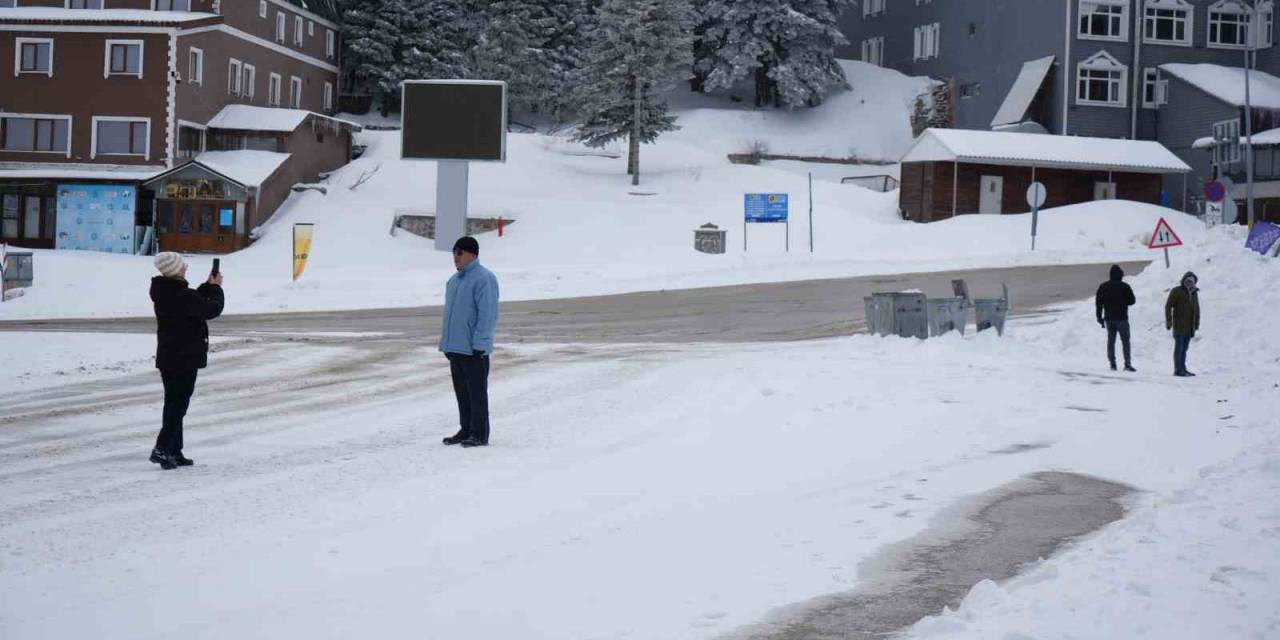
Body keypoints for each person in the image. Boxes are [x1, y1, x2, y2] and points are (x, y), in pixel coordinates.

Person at [149, 252, 224, 469]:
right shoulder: (182, 295)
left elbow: (193, 301)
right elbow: (210, 309)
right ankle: (162, 449)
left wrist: (207, 286)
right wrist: (216, 288)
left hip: (168, 356)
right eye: (182, 265)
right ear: (175, 269)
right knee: (178, 405)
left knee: (173, 403)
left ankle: (173, 450)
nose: (186, 267)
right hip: (185, 357)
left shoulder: (165, 290)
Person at [439, 236, 499, 448]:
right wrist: (445, 344)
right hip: (456, 348)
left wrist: (480, 344)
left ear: (472, 254)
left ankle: (479, 434)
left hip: (474, 349)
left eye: (459, 253)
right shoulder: (454, 281)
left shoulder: (484, 279)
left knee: (477, 394)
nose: (455, 257)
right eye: (454, 253)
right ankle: (466, 429)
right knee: (462, 394)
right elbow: (450, 316)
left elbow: (488, 314)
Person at [1095, 264, 1137, 372]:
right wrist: (1123, 301)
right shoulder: (1125, 286)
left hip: (1109, 319)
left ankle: (1112, 364)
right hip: (1122, 318)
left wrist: (1099, 318)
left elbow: (1098, 303)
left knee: (1111, 341)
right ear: (1120, 275)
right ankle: (1127, 364)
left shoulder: (1103, 287)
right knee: (1125, 342)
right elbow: (1132, 301)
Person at [1164, 271, 1200, 378]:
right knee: (1179, 348)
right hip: (1179, 324)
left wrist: (1196, 322)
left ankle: (1183, 368)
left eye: (1191, 282)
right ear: (1183, 281)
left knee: (1184, 349)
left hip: (1189, 326)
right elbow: (1168, 306)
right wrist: (1169, 320)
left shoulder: (1194, 293)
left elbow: (1197, 309)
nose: (1189, 283)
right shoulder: (1177, 291)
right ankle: (1178, 370)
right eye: (1187, 281)